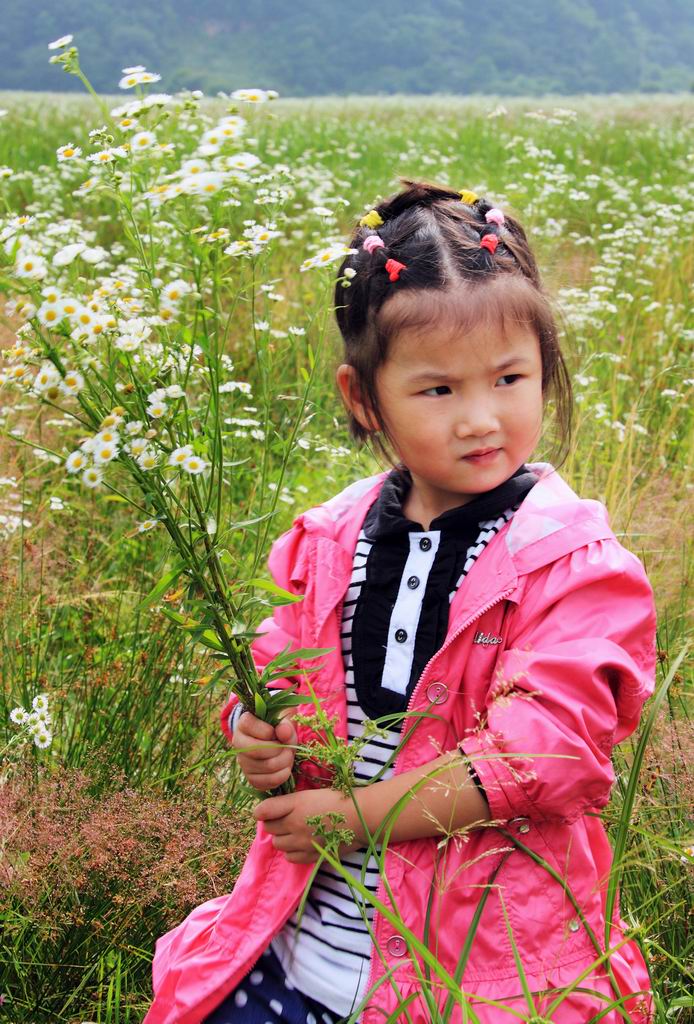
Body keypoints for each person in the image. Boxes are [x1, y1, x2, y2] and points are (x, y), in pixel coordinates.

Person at [144, 180, 657, 1024]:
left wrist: (353, 817)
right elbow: (277, 669)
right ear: (363, 398)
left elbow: (548, 755)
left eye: (509, 378)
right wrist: (255, 730)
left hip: (484, 975)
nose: (481, 418)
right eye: (438, 390)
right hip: (305, 952)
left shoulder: (573, 565)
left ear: (546, 371)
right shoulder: (330, 539)